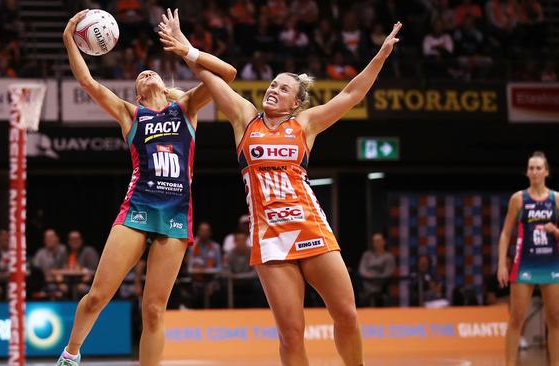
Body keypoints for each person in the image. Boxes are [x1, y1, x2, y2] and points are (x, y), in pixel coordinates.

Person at [159, 13, 401, 365]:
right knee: (291, 334)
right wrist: (186, 49)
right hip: (270, 235)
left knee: (347, 313)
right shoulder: (245, 117)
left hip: (310, 225)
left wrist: (380, 56)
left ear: (296, 102)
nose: (273, 90)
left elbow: (352, 93)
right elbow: (211, 80)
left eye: (283, 88)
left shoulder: (306, 123)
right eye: (272, 85)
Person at [57, 9, 236, 366]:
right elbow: (89, 83)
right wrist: (68, 39)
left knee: (154, 309)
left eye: (151, 71)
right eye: (141, 76)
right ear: (137, 95)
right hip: (138, 207)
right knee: (98, 296)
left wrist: (186, 49)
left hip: (175, 213)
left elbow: (227, 75)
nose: (146, 74)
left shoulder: (186, 108)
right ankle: (70, 354)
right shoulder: (131, 115)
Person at [497, 151, 559, 366]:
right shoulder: (519, 199)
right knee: (516, 319)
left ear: (546, 172)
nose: (534, 171)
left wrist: (555, 231)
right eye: (531, 168)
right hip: (524, 264)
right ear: (527, 172)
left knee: (555, 321)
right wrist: (501, 264)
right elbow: (505, 233)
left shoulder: (556, 199)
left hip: (551, 264)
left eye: (538, 168)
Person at [358, 233, 395, 307]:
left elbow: (387, 273)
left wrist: (374, 277)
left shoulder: (389, 257)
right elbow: (362, 270)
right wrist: (369, 276)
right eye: (374, 241)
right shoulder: (367, 255)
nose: (376, 243)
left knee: (376, 289)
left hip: (381, 284)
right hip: (366, 282)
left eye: (378, 240)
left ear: (384, 242)